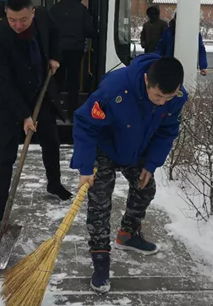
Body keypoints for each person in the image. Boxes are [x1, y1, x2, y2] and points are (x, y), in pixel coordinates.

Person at [71, 54, 187, 293]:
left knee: (146, 188)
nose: (162, 103)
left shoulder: (176, 97)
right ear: (146, 81)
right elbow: (85, 123)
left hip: (136, 148)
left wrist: (151, 163)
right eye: (158, 96)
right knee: (100, 202)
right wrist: (85, 168)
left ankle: (127, 234)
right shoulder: (115, 89)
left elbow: (167, 130)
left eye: (168, 97)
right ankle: (100, 259)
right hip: (105, 147)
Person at [0, 0, 73, 221]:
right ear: (6, 14)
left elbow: (55, 34)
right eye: (12, 19)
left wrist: (54, 57)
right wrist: (25, 116)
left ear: (33, 13)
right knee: (6, 153)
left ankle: (54, 184)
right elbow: (4, 82)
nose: (17, 25)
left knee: (51, 141)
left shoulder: (43, 18)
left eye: (23, 20)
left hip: (39, 93)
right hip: (10, 101)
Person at [49, 0, 95, 122]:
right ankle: (72, 112)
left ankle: (55, 111)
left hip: (58, 50)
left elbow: (49, 29)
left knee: (57, 81)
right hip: (75, 50)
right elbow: (90, 30)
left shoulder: (55, 9)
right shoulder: (82, 10)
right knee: (73, 82)